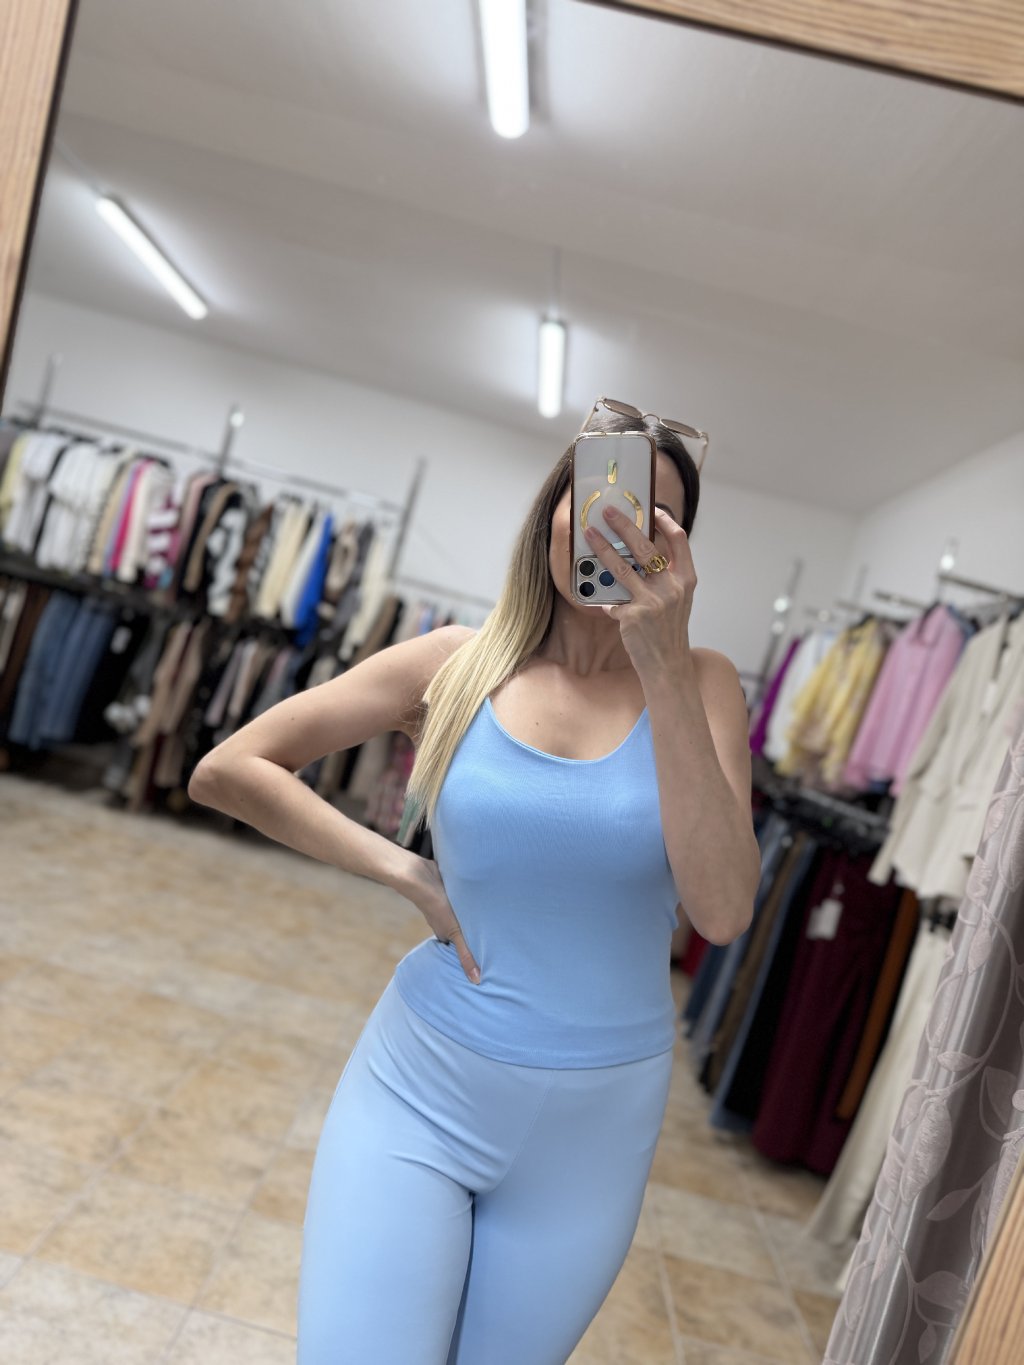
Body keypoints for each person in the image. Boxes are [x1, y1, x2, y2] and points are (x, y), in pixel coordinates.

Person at [187, 397, 761, 1364]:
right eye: (600, 493)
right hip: (419, 1088)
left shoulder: (705, 684)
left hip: (593, 1135)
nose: (617, 524)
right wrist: (406, 870)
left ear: (678, 549)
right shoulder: (458, 661)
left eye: (650, 513)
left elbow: (723, 908)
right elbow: (229, 768)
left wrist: (661, 664)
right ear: (553, 510)